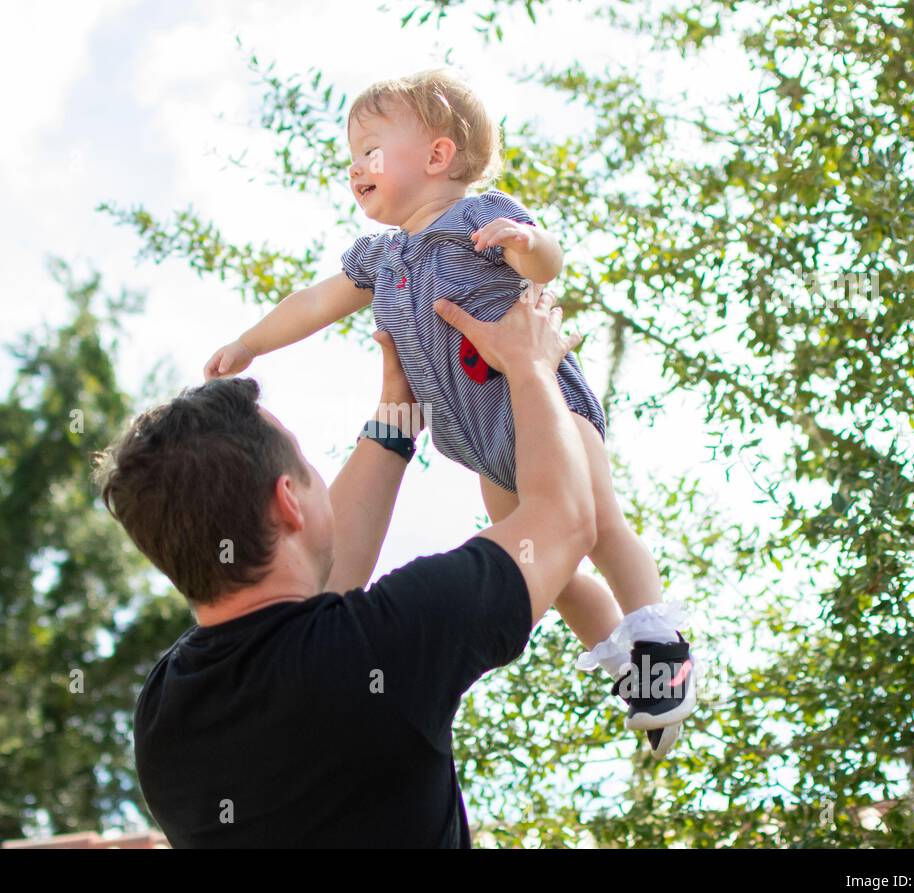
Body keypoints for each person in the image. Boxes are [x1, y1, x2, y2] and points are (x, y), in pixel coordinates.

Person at [203, 69, 695, 755]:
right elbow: (314, 301)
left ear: (437, 156)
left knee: (600, 525)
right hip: (482, 444)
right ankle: (629, 670)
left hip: (545, 407)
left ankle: (662, 646)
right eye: (352, 156)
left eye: (371, 150)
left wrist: (524, 243)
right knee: (545, 565)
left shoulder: (478, 218)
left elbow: (547, 263)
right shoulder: (380, 259)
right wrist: (250, 343)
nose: (355, 167)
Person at [95, 285, 671, 846]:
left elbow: (307, 605)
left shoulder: (164, 722)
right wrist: (530, 366)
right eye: (306, 465)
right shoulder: (385, 644)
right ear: (288, 501)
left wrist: (396, 419)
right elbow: (565, 520)